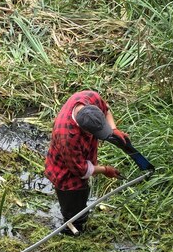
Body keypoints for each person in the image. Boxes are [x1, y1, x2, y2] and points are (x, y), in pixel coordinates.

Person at [44, 90, 129, 235]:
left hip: (78, 159)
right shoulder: (68, 138)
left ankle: (76, 218)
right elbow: (82, 170)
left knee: (81, 197)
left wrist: (113, 129)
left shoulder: (89, 97)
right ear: (83, 129)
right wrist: (105, 170)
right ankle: (72, 230)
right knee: (74, 207)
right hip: (65, 173)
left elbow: (106, 109)